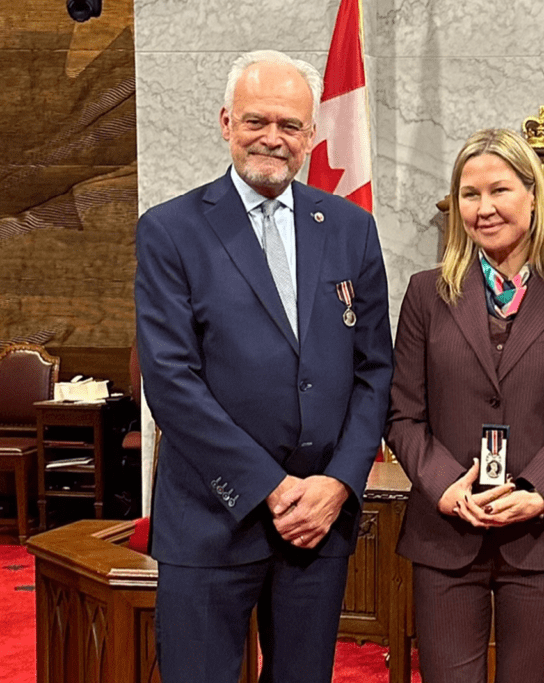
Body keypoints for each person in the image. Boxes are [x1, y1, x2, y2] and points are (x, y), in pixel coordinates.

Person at [134, 50, 392, 683]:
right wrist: (273, 490)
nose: (273, 137)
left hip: (318, 524)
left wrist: (337, 484)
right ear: (226, 123)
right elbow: (171, 381)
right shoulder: (170, 230)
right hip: (211, 520)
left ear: (310, 135)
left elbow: (374, 371)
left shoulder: (352, 229)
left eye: (290, 124)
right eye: (256, 121)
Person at [386, 128, 544, 683]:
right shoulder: (425, 294)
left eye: (499, 190)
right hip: (446, 535)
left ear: (533, 196)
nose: (483, 208)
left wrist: (536, 492)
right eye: (469, 194)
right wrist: (444, 486)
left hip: (538, 536)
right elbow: (403, 415)